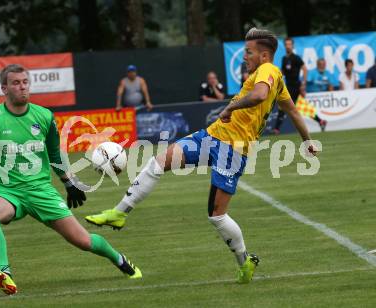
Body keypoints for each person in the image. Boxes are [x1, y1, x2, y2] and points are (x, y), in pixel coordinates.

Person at [85, 28, 317, 284]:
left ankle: (245, 261)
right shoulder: (274, 78)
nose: (244, 57)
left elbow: (261, 95)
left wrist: (231, 105)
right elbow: (294, 112)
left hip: (234, 150)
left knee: (217, 216)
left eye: (248, 52)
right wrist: (308, 142)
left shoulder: (269, 71)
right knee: (159, 162)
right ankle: (119, 213)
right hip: (212, 136)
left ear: (264, 55)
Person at [0, 64, 141, 296]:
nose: (22, 87)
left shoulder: (45, 116)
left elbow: (55, 155)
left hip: (42, 191)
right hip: (8, 192)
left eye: (25, 82)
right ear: (4, 88)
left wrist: (68, 183)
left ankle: (119, 259)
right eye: (16, 83)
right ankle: (5, 272)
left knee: (83, 241)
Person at [273, 37, 307, 134]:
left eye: (289, 44)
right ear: (284, 46)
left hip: (296, 86)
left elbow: (305, 69)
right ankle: (321, 121)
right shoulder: (284, 58)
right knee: (300, 107)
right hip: (288, 86)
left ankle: (276, 129)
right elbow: (283, 72)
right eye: (286, 44)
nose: (288, 46)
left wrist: (303, 84)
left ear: (292, 45)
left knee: (283, 106)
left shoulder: (296, 58)